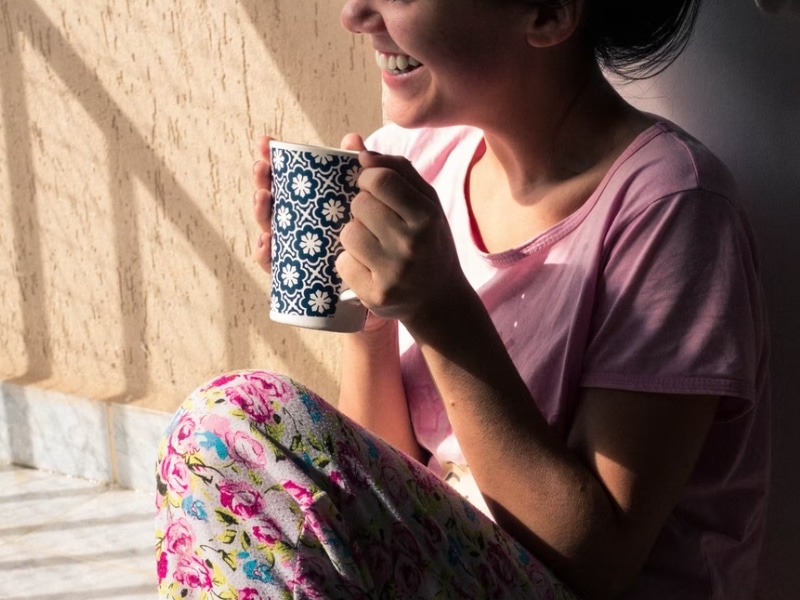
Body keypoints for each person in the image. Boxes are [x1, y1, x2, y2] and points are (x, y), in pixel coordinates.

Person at [155, 0, 771, 598]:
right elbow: (384, 483)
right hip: (451, 562)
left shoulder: (673, 207)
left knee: (233, 420)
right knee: (228, 459)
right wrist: (366, 310)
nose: (355, 15)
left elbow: (598, 562)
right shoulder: (422, 161)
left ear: (550, 11)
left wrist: (439, 308)